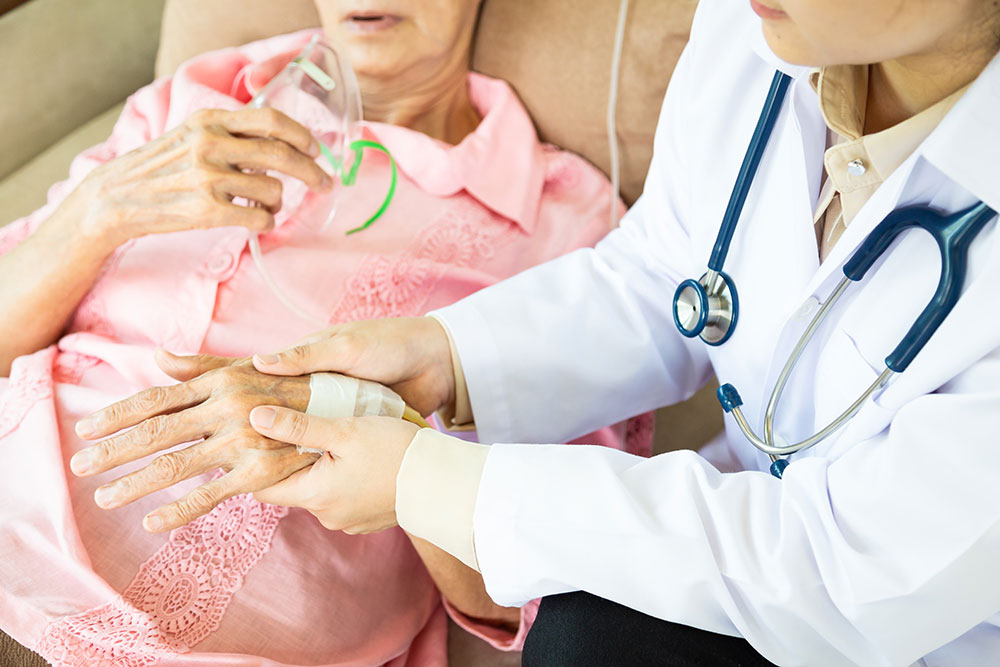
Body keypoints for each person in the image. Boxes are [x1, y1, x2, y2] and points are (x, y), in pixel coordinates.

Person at [85, 0, 1000, 664]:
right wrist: (440, 357)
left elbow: (851, 576)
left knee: (587, 635)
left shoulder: (542, 191)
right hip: (743, 544)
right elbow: (665, 273)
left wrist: (432, 481)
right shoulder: (757, 32)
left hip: (901, 630)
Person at [0, 0, 652, 664]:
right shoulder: (204, 96)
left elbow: (538, 604)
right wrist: (95, 213)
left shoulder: (564, 225)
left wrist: (371, 418)